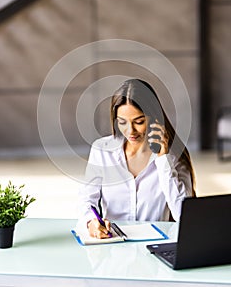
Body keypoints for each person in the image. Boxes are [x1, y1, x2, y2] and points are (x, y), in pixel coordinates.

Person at [77, 79, 196, 239]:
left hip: (154, 249)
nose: (130, 131)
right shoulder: (102, 151)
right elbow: (87, 200)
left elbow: (184, 216)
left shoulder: (174, 158)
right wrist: (91, 222)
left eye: (139, 122)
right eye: (122, 122)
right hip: (112, 250)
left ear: (154, 117)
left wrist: (163, 160)